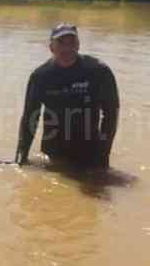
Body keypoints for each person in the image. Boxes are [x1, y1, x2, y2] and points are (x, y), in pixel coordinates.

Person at [15, 23, 119, 170]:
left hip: (90, 151)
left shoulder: (98, 71)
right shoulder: (41, 76)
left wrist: (103, 153)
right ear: (51, 47)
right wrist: (21, 158)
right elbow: (30, 118)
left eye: (72, 43)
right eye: (61, 43)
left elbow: (111, 114)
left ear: (78, 45)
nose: (67, 48)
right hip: (53, 153)